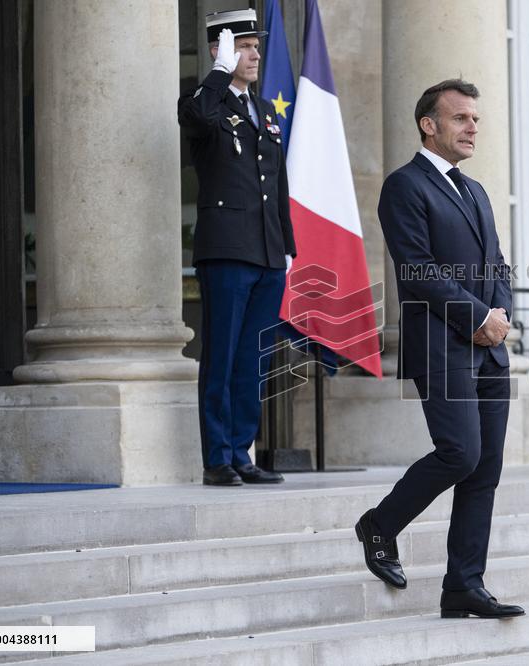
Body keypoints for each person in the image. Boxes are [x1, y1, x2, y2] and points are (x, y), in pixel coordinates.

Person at [356, 79, 523, 619]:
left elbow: (497, 264)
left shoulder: (475, 191)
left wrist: (498, 317)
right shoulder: (404, 186)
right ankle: (380, 523)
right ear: (429, 124)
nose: (473, 127)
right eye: (461, 118)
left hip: (489, 349)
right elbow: (417, 270)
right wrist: (476, 317)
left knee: (486, 469)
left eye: (475, 118)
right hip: (440, 344)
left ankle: (463, 586)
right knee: (461, 452)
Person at [178, 9, 296, 486]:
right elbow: (194, 118)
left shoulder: (265, 111)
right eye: (243, 46)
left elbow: (277, 182)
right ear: (219, 50)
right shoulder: (206, 101)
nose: (254, 54)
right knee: (222, 356)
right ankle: (217, 459)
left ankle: (243, 452)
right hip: (226, 250)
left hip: (267, 252)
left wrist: (287, 245)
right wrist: (218, 74)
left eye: (254, 46)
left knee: (254, 358)